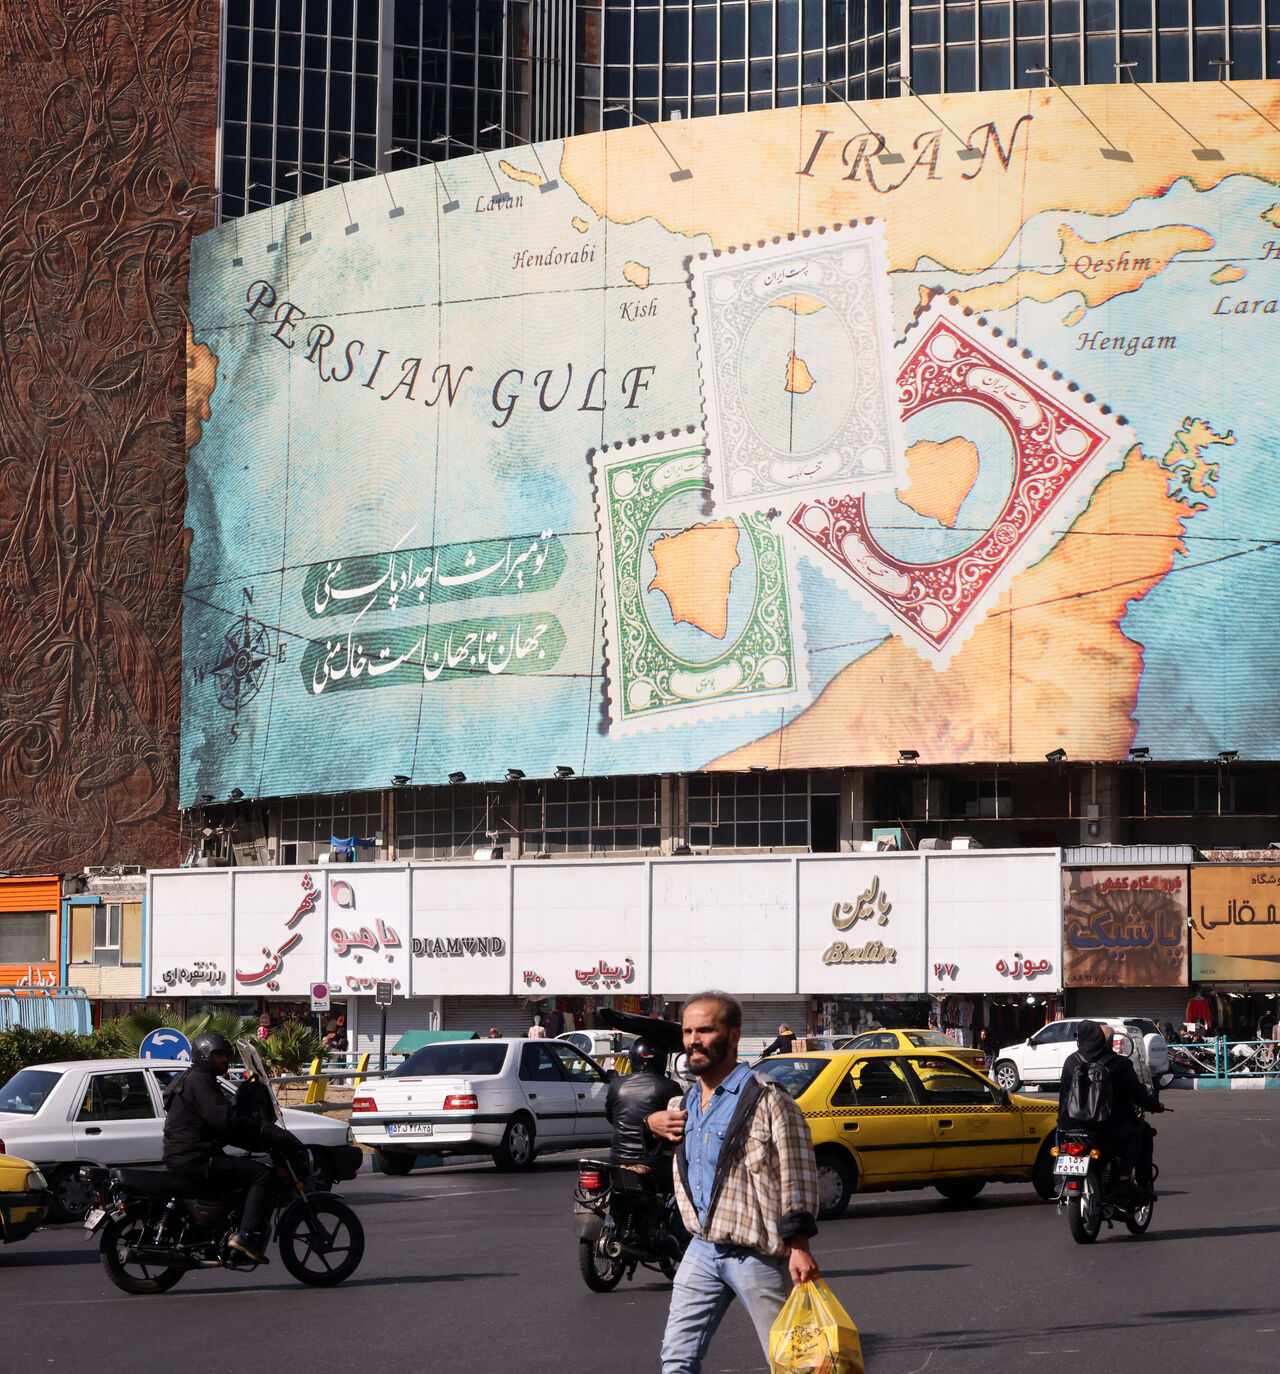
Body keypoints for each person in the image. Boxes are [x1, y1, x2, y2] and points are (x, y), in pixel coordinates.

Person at [648, 992, 820, 1374]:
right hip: (702, 1248)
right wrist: (650, 1125)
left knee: (793, 1364)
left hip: (755, 1254)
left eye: (705, 1030)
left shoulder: (768, 1098)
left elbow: (798, 1172)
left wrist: (800, 1245)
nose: (694, 1041)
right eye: (688, 1032)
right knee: (676, 1359)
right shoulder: (686, 1102)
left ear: (733, 1036)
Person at [162, 1031, 302, 1264]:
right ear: (205, 1055)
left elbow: (219, 1126)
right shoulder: (200, 1081)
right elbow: (225, 1119)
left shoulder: (192, 1078)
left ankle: (223, 1230)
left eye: (225, 1055)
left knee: (239, 1173)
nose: (224, 1060)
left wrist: (253, 1136)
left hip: (188, 1155)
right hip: (196, 1159)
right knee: (262, 1175)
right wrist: (264, 1130)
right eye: (218, 1055)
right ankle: (245, 1237)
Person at [1058, 1020, 1162, 1199]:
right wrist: (1154, 1105)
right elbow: (1137, 1094)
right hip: (1107, 1127)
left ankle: (1063, 1179)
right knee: (1138, 1135)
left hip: (1072, 1126)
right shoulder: (1118, 1063)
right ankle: (1124, 1179)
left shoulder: (1071, 1061)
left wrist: (1063, 1122)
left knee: (1060, 1137)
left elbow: (1064, 1096)